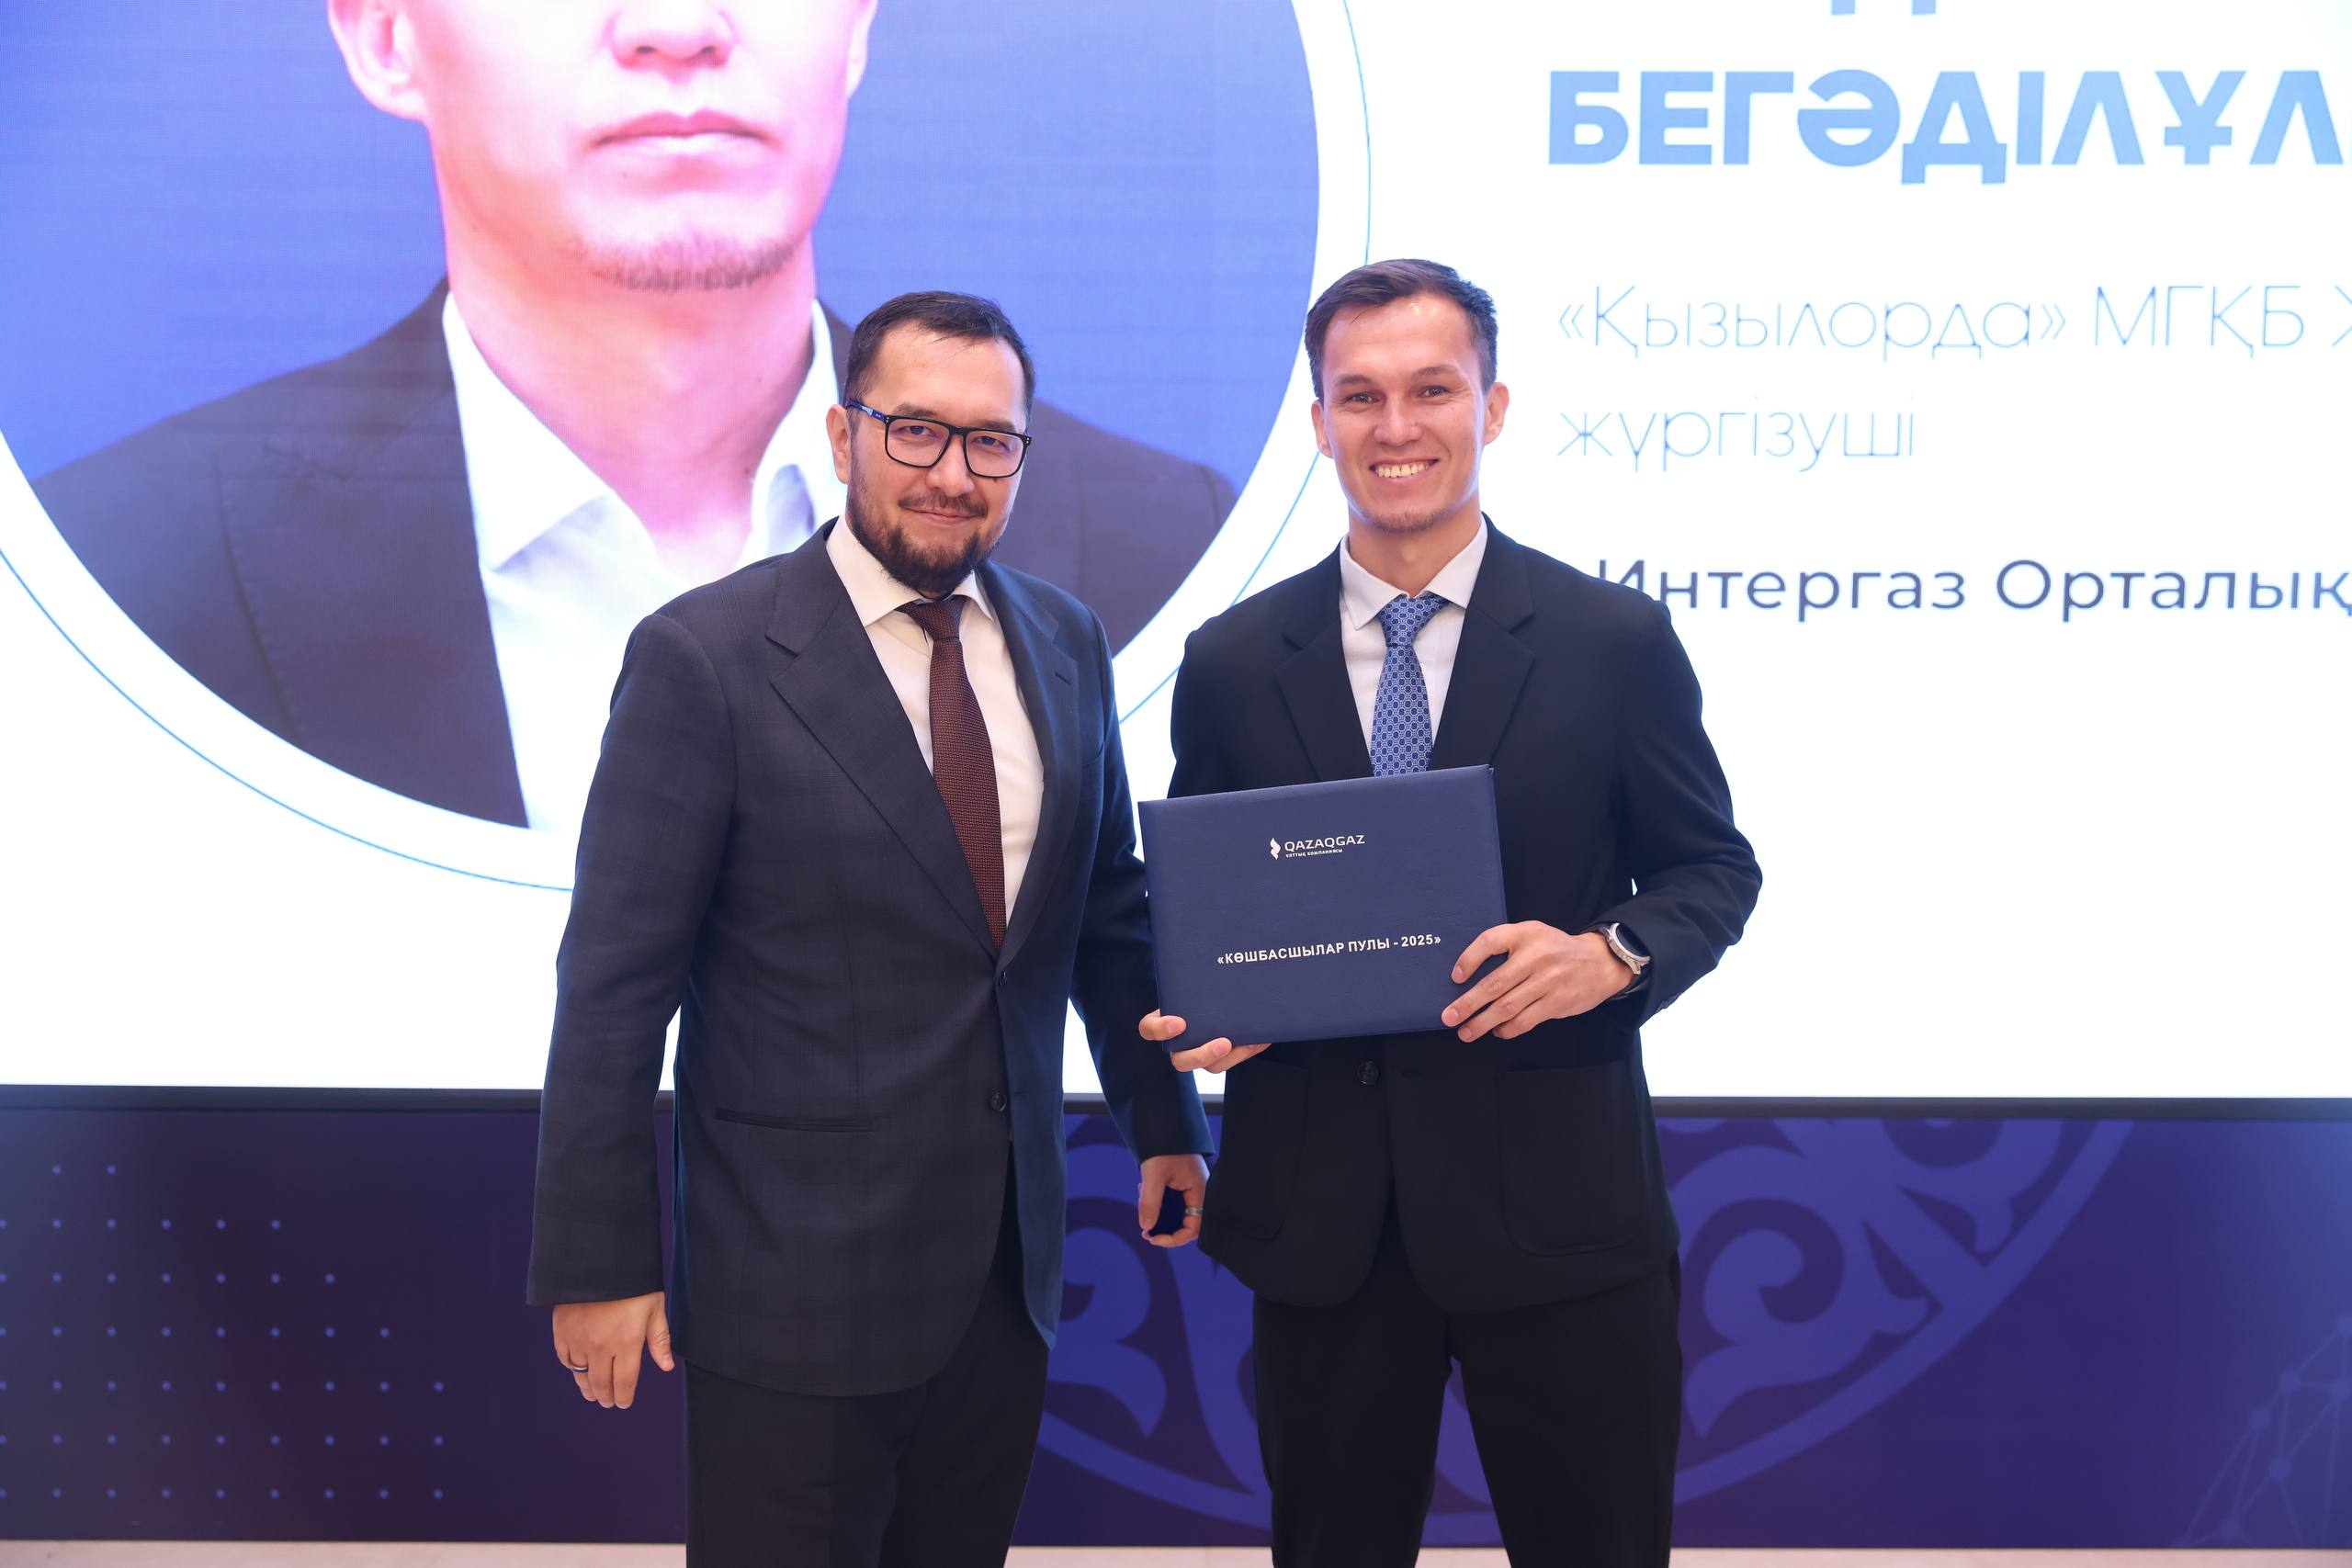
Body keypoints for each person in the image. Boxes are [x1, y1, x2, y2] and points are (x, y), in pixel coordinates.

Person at [31, 0, 1232, 834]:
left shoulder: (1168, 549)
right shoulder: (121, 582)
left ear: (859, 25)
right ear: (387, 35)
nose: (678, 25)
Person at [528, 290, 1211, 1566]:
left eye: (991, 441)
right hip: (790, 1290)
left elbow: (1106, 912)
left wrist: (1165, 1119)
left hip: (1004, 1279)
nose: (954, 474)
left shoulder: (1065, 640)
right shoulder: (705, 658)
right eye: (917, 431)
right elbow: (614, 987)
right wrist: (600, 1262)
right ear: (843, 436)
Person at [1144, 259, 1761, 1565]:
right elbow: (1204, 903)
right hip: (1325, 1225)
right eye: (1360, 395)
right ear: (1319, 421)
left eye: (1432, 389)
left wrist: (1613, 955)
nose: (1397, 427)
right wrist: (1205, 1006)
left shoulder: (1612, 641)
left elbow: (1713, 871)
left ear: (1494, 407)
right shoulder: (1233, 661)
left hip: (1560, 1212)